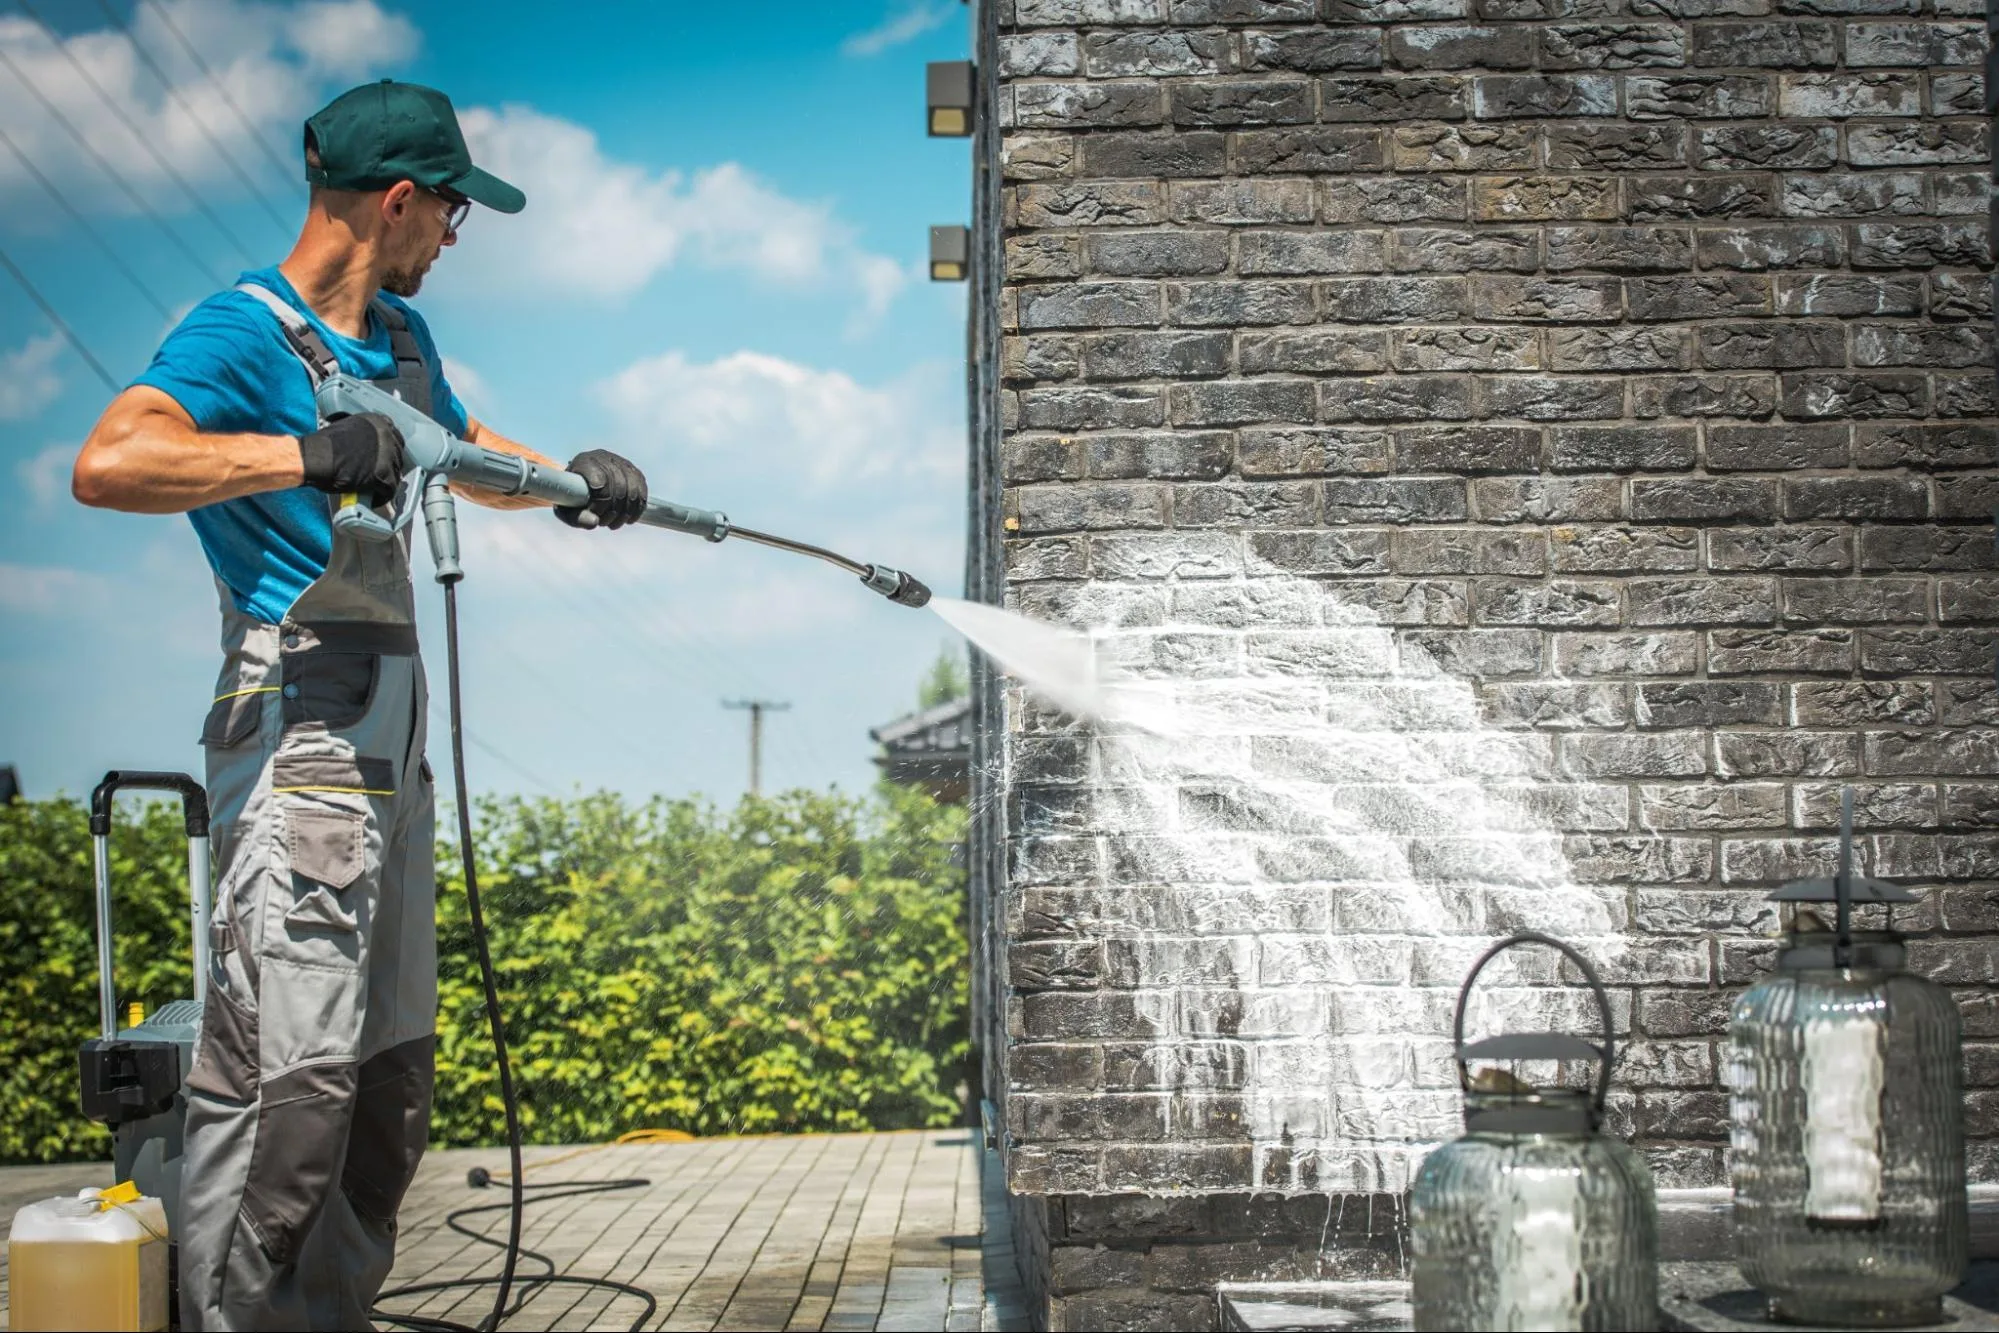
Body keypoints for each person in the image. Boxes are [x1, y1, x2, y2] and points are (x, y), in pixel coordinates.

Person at [71, 79, 648, 1331]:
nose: (455, 234)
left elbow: (454, 444)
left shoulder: (400, 342)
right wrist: (305, 454)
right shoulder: (240, 335)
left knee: (382, 1075)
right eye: (451, 212)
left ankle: (331, 1313)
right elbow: (110, 461)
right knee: (292, 1078)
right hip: (302, 740)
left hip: (393, 733)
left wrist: (567, 483)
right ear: (398, 202)